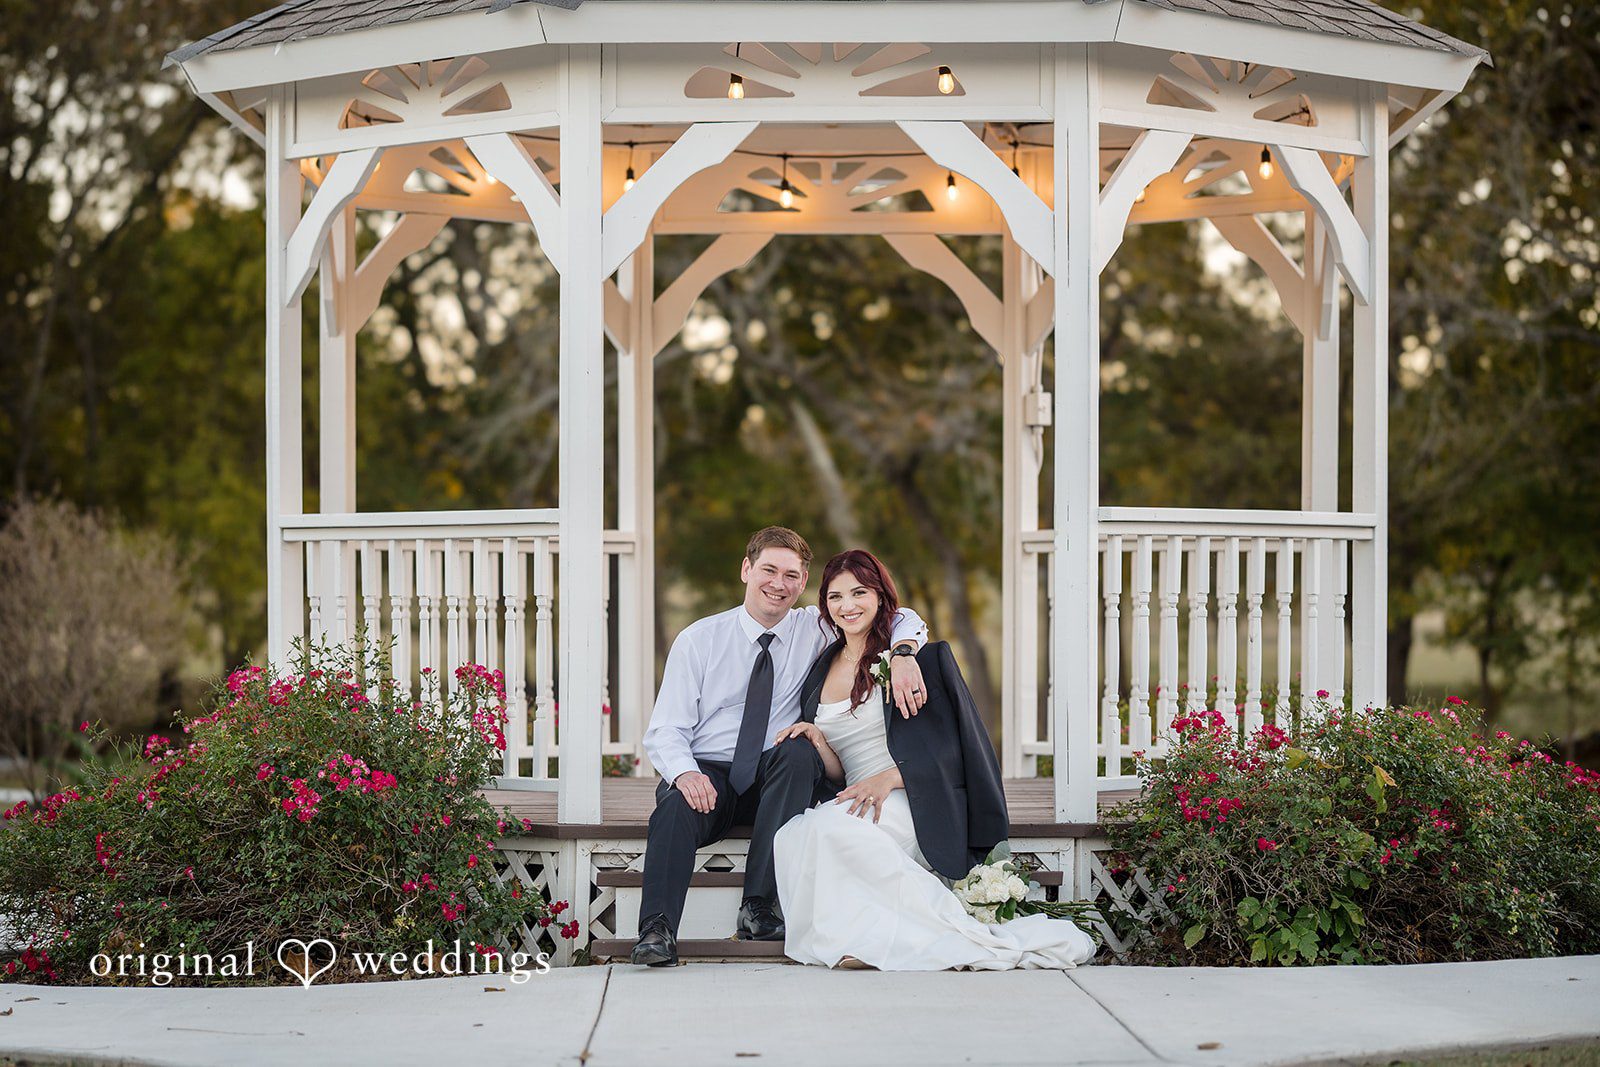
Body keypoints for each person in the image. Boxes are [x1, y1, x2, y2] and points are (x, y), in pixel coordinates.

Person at [772, 548, 1097, 970]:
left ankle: (925, 934)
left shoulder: (912, 660)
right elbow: (839, 769)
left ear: (880, 595)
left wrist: (887, 779)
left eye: (858, 593)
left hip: (912, 798)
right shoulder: (821, 668)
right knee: (797, 833)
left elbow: (951, 751)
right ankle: (862, 939)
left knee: (831, 831)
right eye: (835, 597)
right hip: (855, 796)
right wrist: (818, 741)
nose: (847, 606)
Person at [631, 527, 930, 967]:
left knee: (799, 749)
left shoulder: (816, 628)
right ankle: (656, 930)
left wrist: (903, 654)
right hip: (710, 775)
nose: (779, 583)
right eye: (769, 570)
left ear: (803, 581)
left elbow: (899, 614)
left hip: (776, 777)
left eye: (792, 575)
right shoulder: (700, 639)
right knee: (675, 805)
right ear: (746, 569)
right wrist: (685, 772)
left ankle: (758, 907)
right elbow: (666, 729)